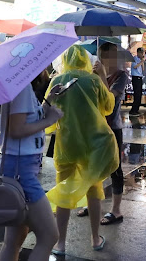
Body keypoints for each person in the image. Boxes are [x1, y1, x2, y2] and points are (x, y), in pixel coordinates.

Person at [45, 45, 119, 255]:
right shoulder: (93, 80)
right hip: (92, 145)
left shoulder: (57, 80)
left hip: (66, 145)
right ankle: (95, 239)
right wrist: (103, 75)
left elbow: (48, 113)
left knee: (64, 191)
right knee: (94, 190)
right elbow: (108, 107)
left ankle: (60, 244)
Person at [0, 75, 64, 261]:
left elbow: (26, 120)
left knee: (13, 241)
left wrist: (49, 100)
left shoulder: (19, 85)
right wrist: (50, 120)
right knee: (49, 236)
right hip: (21, 171)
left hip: (17, 168)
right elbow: (16, 130)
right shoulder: (22, 87)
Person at [76, 42, 130, 225]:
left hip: (112, 127)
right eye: (107, 55)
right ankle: (91, 201)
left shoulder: (122, 76)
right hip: (94, 126)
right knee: (92, 166)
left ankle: (116, 210)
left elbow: (110, 100)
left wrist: (100, 76)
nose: (112, 59)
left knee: (115, 168)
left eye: (114, 55)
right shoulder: (94, 72)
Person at [129, 47, 145, 116]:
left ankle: (137, 109)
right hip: (135, 78)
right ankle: (133, 110)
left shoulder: (140, 59)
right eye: (141, 53)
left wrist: (142, 62)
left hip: (140, 77)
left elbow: (143, 69)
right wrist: (141, 62)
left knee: (139, 94)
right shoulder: (134, 58)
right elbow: (134, 67)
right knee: (137, 94)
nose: (142, 54)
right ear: (138, 53)